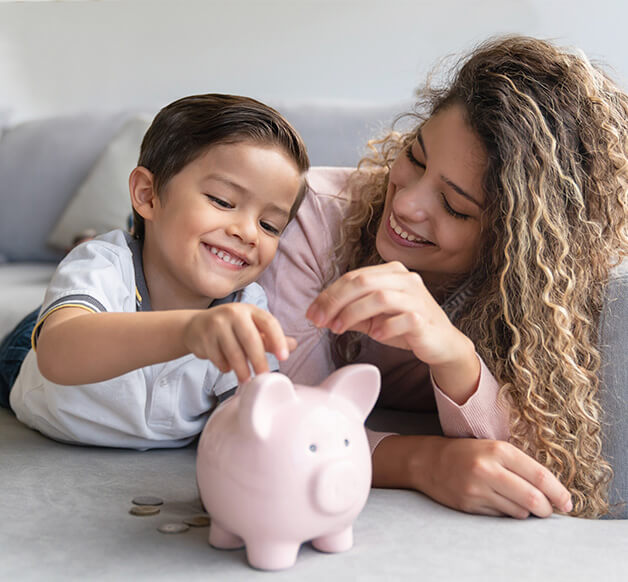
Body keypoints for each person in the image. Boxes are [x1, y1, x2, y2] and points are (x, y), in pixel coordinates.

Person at [259, 36, 628, 519]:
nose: (408, 203)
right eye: (415, 157)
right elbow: (282, 425)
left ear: (512, 240)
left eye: (454, 206)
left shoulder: (550, 290)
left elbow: (554, 467)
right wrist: (423, 462)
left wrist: (455, 355)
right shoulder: (309, 221)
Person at [1, 93, 309, 449]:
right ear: (147, 194)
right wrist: (190, 331)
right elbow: (56, 353)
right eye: (223, 202)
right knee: (65, 299)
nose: (248, 232)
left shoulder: (246, 309)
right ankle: (93, 249)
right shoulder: (104, 265)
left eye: (270, 225)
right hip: (30, 357)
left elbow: (254, 420)